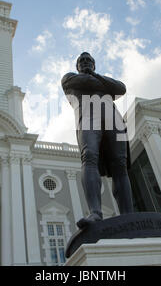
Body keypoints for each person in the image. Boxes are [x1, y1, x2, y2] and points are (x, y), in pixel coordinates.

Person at [61, 52, 134, 228]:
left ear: (94, 65)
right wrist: (102, 83)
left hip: (113, 118)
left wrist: (95, 76)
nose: (85, 63)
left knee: (120, 164)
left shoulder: (97, 77)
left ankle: (129, 216)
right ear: (77, 66)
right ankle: (95, 212)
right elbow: (84, 82)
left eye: (89, 61)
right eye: (81, 61)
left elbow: (121, 88)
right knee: (89, 156)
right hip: (88, 118)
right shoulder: (69, 78)